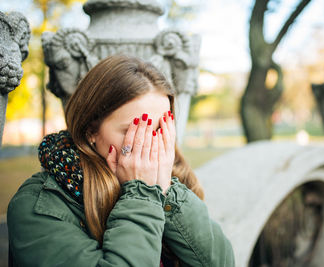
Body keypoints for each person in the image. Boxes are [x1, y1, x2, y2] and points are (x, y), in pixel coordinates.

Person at [7, 55, 235, 267]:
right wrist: (142, 194)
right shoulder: (39, 205)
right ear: (90, 131)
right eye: (134, 130)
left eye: (159, 130)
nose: (149, 144)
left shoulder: (173, 181)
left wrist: (164, 191)